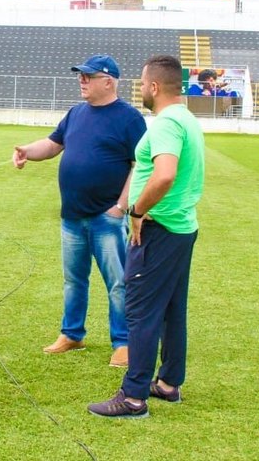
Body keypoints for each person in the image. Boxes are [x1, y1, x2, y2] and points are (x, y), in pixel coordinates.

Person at [88, 54, 205, 419]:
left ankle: (134, 396)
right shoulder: (187, 117)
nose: (140, 89)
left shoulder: (166, 123)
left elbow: (165, 174)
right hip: (181, 227)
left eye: (141, 83)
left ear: (154, 87)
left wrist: (137, 211)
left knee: (140, 312)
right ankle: (168, 383)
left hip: (158, 229)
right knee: (171, 309)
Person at [12, 54, 146, 368]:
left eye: (88, 76)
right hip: (72, 216)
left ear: (109, 81)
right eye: (80, 76)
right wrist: (26, 152)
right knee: (74, 280)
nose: (81, 80)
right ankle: (72, 334)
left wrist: (120, 207)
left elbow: (140, 165)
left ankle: (124, 342)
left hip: (106, 217)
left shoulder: (129, 118)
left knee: (118, 282)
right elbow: (53, 144)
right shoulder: (76, 113)